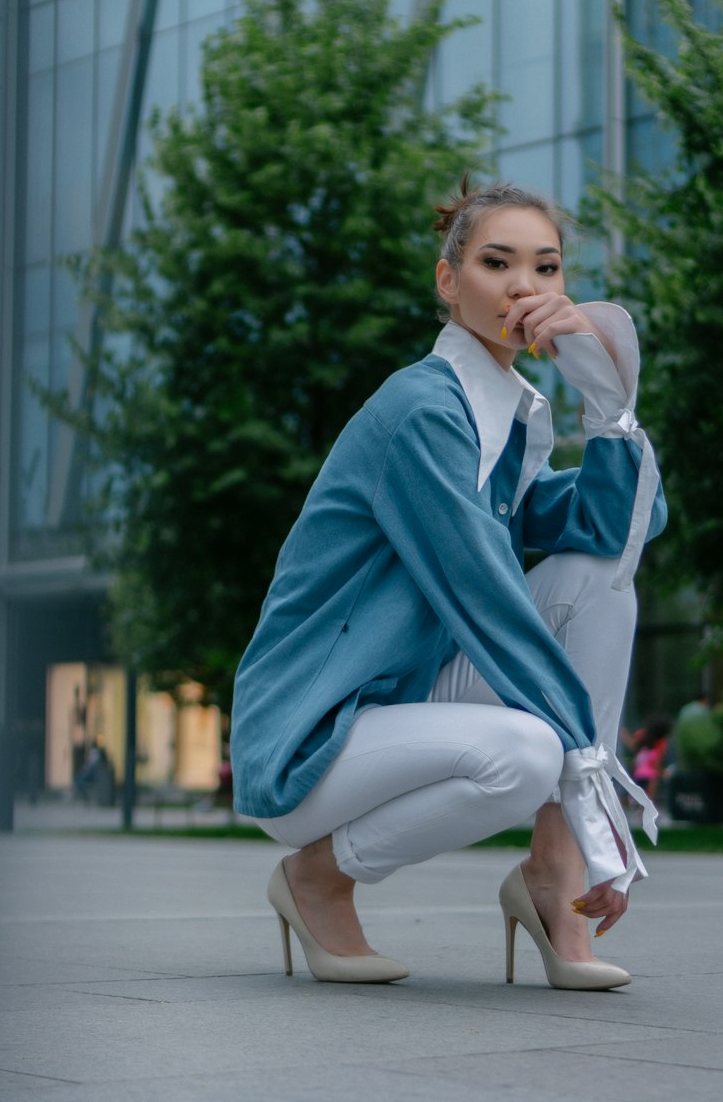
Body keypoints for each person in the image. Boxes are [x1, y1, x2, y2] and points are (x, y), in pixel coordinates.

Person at [230, 177, 667, 989]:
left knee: (598, 578)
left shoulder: (504, 421)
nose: (524, 289)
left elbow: (618, 530)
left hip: (399, 697)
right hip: (311, 731)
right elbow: (488, 601)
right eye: (497, 263)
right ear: (447, 280)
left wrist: (607, 397)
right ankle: (317, 877)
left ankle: (553, 875)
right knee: (531, 754)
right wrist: (593, 791)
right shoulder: (424, 413)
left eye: (546, 269)